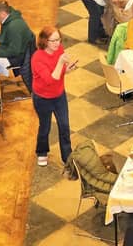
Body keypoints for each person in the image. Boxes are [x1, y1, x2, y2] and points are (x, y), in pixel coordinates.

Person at [31, 26, 75, 167]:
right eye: (53, 41)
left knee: (64, 125)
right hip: (42, 98)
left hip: (59, 95)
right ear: (44, 41)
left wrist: (67, 69)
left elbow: (60, 72)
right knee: (45, 126)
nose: (57, 43)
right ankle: (42, 152)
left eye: (59, 39)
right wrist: (61, 63)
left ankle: (67, 157)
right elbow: (50, 79)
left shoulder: (59, 49)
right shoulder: (37, 58)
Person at [0, 0, 35, 68]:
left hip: (19, 56)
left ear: (3, 14)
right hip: (11, 48)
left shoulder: (13, 26)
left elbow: (14, 51)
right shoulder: (9, 18)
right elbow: (9, 35)